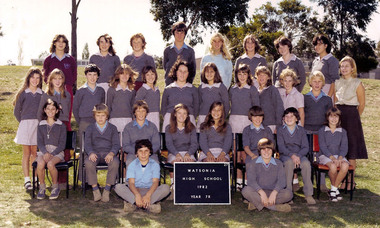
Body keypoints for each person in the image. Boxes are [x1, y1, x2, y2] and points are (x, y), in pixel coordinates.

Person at [335, 56, 367, 190]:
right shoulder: (337, 82)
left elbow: (362, 104)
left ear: (352, 68)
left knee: (352, 149)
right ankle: (340, 179)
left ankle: (351, 181)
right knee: (340, 148)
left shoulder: (357, 83)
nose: (344, 69)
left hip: (352, 117)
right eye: (342, 66)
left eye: (347, 66)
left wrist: (354, 117)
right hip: (338, 116)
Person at [37, 68, 72, 189]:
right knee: (46, 155)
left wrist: (62, 110)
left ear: (63, 80)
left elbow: (68, 111)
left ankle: (62, 181)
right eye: (55, 79)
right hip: (49, 125)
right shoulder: (46, 95)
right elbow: (40, 113)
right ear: (50, 80)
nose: (57, 81)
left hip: (63, 124)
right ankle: (45, 183)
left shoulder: (67, 94)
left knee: (63, 153)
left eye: (60, 78)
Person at [115, 139, 170, 213]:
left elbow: (155, 183)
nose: (143, 154)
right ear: (136, 153)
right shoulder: (132, 164)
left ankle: (134, 204)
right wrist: (137, 195)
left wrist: (148, 195)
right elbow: (131, 183)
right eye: (140, 151)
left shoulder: (155, 165)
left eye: (146, 151)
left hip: (150, 191)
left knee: (166, 188)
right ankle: (148, 205)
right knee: (118, 187)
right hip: (135, 190)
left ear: (150, 152)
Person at [241, 138, 293, 212]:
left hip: (273, 192)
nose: (266, 152)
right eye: (263, 149)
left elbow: (282, 181)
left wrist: (274, 193)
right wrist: (261, 193)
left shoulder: (278, 163)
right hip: (258, 192)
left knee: (288, 194)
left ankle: (257, 204)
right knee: (245, 190)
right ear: (259, 151)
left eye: (269, 149)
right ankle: (274, 207)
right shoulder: (253, 163)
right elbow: (251, 181)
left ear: (273, 151)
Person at [277, 108, 316, 204]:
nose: (289, 118)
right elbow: (281, 147)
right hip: (286, 155)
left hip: (299, 155)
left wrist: (298, 155)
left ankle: (308, 194)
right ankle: (288, 194)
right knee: (289, 163)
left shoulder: (301, 130)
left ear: (296, 118)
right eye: (286, 116)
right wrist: (292, 155)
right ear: (283, 118)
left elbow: (305, 147)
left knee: (306, 164)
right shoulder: (280, 130)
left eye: (291, 116)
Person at [13, 67, 43, 190]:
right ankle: (27, 180)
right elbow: (16, 112)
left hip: (38, 126)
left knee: (34, 153)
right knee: (26, 153)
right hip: (25, 125)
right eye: (32, 77)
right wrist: (24, 122)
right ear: (28, 78)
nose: (35, 80)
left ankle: (35, 178)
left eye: (37, 78)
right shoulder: (23, 93)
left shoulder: (42, 94)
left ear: (40, 79)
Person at [84, 104, 120, 202]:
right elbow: (87, 144)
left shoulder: (113, 128)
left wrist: (112, 153)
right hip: (95, 153)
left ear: (107, 116)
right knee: (88, 163)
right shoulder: (90, 128)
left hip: (108, 153)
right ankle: (95, 190)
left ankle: (107, 190)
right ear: (94, 116)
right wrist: (90, 152)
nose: (100, 118)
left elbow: (116, 144)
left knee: (115, 162)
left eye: (103, 115)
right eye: (98, 115)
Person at [36, 99, 67, 200]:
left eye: (53, 109)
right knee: (40, 164)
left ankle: (55, 187)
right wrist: (45, 153)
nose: (50, 111)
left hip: (57, 152)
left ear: (57, 111)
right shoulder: (41, 125)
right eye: (48, 109)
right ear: (44, 110)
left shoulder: (61, 125)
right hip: (43, 151)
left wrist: (52, 153)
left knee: (50, 164)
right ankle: (42, 187)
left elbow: (62, 144)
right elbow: (39, 142)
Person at [43, 34, 76, 126]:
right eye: (58, 41)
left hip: (67, 89)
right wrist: (53, 87)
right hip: (52, 90)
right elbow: (45, 76)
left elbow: (74, 75)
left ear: (66, 44)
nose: (61, 44)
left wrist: (66, 87)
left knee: (66, 115)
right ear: (54, 43)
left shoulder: (70, 60)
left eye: (63, 41)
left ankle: (66, 135)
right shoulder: (49, 60)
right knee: (51, 113)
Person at [318, 107, 349, 201]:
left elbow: (344, 147)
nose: (334, 119)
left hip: (339, 156)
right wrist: (332, 158)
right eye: (331, 116)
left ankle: (333, 189)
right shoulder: (322, 130)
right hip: (325, 155)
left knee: (345, 166)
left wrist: (339, 158)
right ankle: (335, 191)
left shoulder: (343, 131)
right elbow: (323, 147)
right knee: (333, 167)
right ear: (327, 118)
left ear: (339, 118)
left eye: (336, 117)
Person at [161, 59, 199, 132]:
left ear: (188, 73)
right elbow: (163, 109)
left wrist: (187, 118)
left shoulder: (193, 89)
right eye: (180, 71)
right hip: (170, 120)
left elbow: (196, 108)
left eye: (185, 72)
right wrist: (170, 118)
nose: (182, 74)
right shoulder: (168, 89)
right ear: (176, 72)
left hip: (188, 120)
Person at [73, 64, 105, 147]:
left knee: (97, 147)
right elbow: (75, 108)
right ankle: (83, 160)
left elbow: (102, 107)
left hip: (98, 122)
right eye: (90, 74)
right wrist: (80, 122)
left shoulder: (101, 91)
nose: (92, 77)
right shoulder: (81, 91)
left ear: (98, 76)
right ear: (86, 75)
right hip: (84, 122)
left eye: (95, 75)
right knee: (84, 148)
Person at [165, 104, 198, 184]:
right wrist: (177, 154)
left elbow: (194, 144)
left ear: (187, 115)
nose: (182, 115)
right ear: (175, 114)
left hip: (188, 153)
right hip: (174, 153)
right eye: (179, 113)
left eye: (184, 113)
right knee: (177, 163)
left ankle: (189, 185)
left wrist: (188, 154)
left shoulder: (192, 127)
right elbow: (169, 144)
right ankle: (174, 186)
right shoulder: (168, 128)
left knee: (189, 163)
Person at [122, 100, 160, 169]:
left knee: (155, 164)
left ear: (146, 113)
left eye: (143, 111)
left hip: (149, 154)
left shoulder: (152, 126)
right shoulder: (128, 127)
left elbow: (156, 144)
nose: (141, 113)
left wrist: (147, 152)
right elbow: (125, 145)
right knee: (130, 163)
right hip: (134, 154)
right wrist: (138, 152)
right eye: (138, 111)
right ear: (135, 113)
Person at [197, 62, 229, 131]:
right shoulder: (201, 88)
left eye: (211, 72)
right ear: (204, 73)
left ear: (215, 73)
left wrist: (221, 119)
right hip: (203, 119)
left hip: (216, 119)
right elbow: (198, 104)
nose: (209, 74)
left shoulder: (221, 87)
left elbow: (226, 105)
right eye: (207, 72)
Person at [229, 64, 260, 134]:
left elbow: (256, 107)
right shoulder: (232, 89)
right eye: (239, 74)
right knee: (235, 142)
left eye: (244, 74)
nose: (242, 77)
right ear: (236, 75)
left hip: (247, 120)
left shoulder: (252, 89)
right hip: (234, 120)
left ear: (248, 75)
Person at [107, 64, 136, 133]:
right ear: (118, 75)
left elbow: (133, 106)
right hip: (114, 119)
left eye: (127, 74)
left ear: (130, 75)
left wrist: (133, 118)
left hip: (128, 119)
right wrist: (107, 119)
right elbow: (109, 105)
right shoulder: (112, 89)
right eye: (122, 74)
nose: (124, 76)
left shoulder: (132, 91)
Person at [255, 66, 284, 133]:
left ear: (268, 77)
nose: (261, 77)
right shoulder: (255, 91)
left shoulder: (272, 89)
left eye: (264, 75)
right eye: (259, 75)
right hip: (258, 124)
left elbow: (279, 107)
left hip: (271, 124)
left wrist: (278, 125)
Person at [135, 66, 160, 130]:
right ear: (144, 77)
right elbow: (136, 105)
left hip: (156, 117)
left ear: (155, 75)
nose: (150, 77)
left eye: (152, 74)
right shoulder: (143, 90)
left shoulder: (157, 90)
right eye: (147, 75)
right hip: (147, 117)